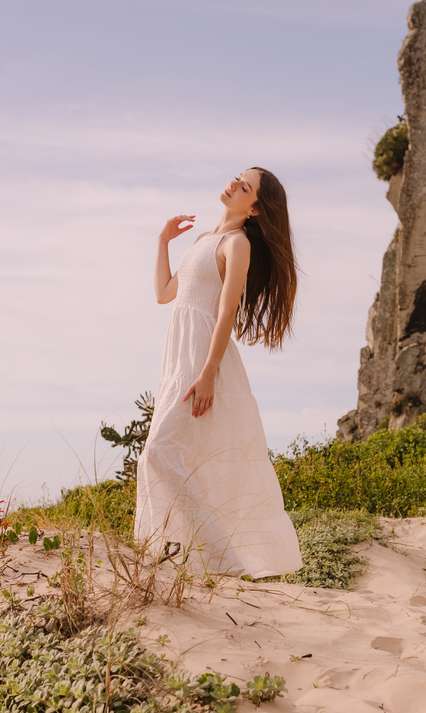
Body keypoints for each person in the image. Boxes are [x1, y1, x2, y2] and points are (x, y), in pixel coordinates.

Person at [134, 167, 304, 578]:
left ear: (256, 209)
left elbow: (227, 310)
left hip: (204, 358)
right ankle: (178, 557)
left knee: (158, 453)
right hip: (179, 358)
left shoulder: (237, 244)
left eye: (244, 187)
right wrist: (162, 241)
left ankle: (221, 562)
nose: (233, 184)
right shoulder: (202, 241)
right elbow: (163, 295)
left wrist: (209, 372)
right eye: (237, 177)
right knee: (174, 456)